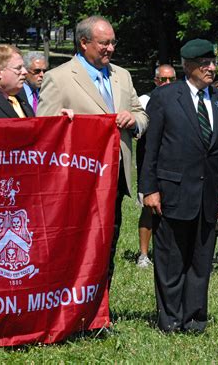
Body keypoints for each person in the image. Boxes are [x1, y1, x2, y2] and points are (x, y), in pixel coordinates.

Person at [37, 16, 149, 288]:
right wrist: (63, 124)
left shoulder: (122, 75)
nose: (110, 48)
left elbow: (141, 114)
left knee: (108, 242)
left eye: (112, 42)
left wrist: (134, 121)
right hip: (77, 181)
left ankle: (102, 305)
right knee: (77, 247)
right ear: (84, 42)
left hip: (115, 176)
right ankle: (71, 307)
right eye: (104, 43)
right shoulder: (58, 77)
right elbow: (43, 130)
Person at [140, 39, 218, 333]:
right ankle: (170, 318)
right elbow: (150, 148)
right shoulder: (166, 97)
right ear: (188, 65)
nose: (212, 68)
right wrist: (150, 188)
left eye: (213, 63)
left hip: (208, 196)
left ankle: (195, 318)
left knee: (201, 260)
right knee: (170, 259)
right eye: (205, 63)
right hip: (172, 192)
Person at [136, 64, 176, 268]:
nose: (167, 83)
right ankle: (143, 255)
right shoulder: (143, 101)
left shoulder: (181, 101)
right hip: (150, 163)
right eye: (163, 79)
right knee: (148, 208)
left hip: (174, 165)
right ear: (156, 81)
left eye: (171, 79)